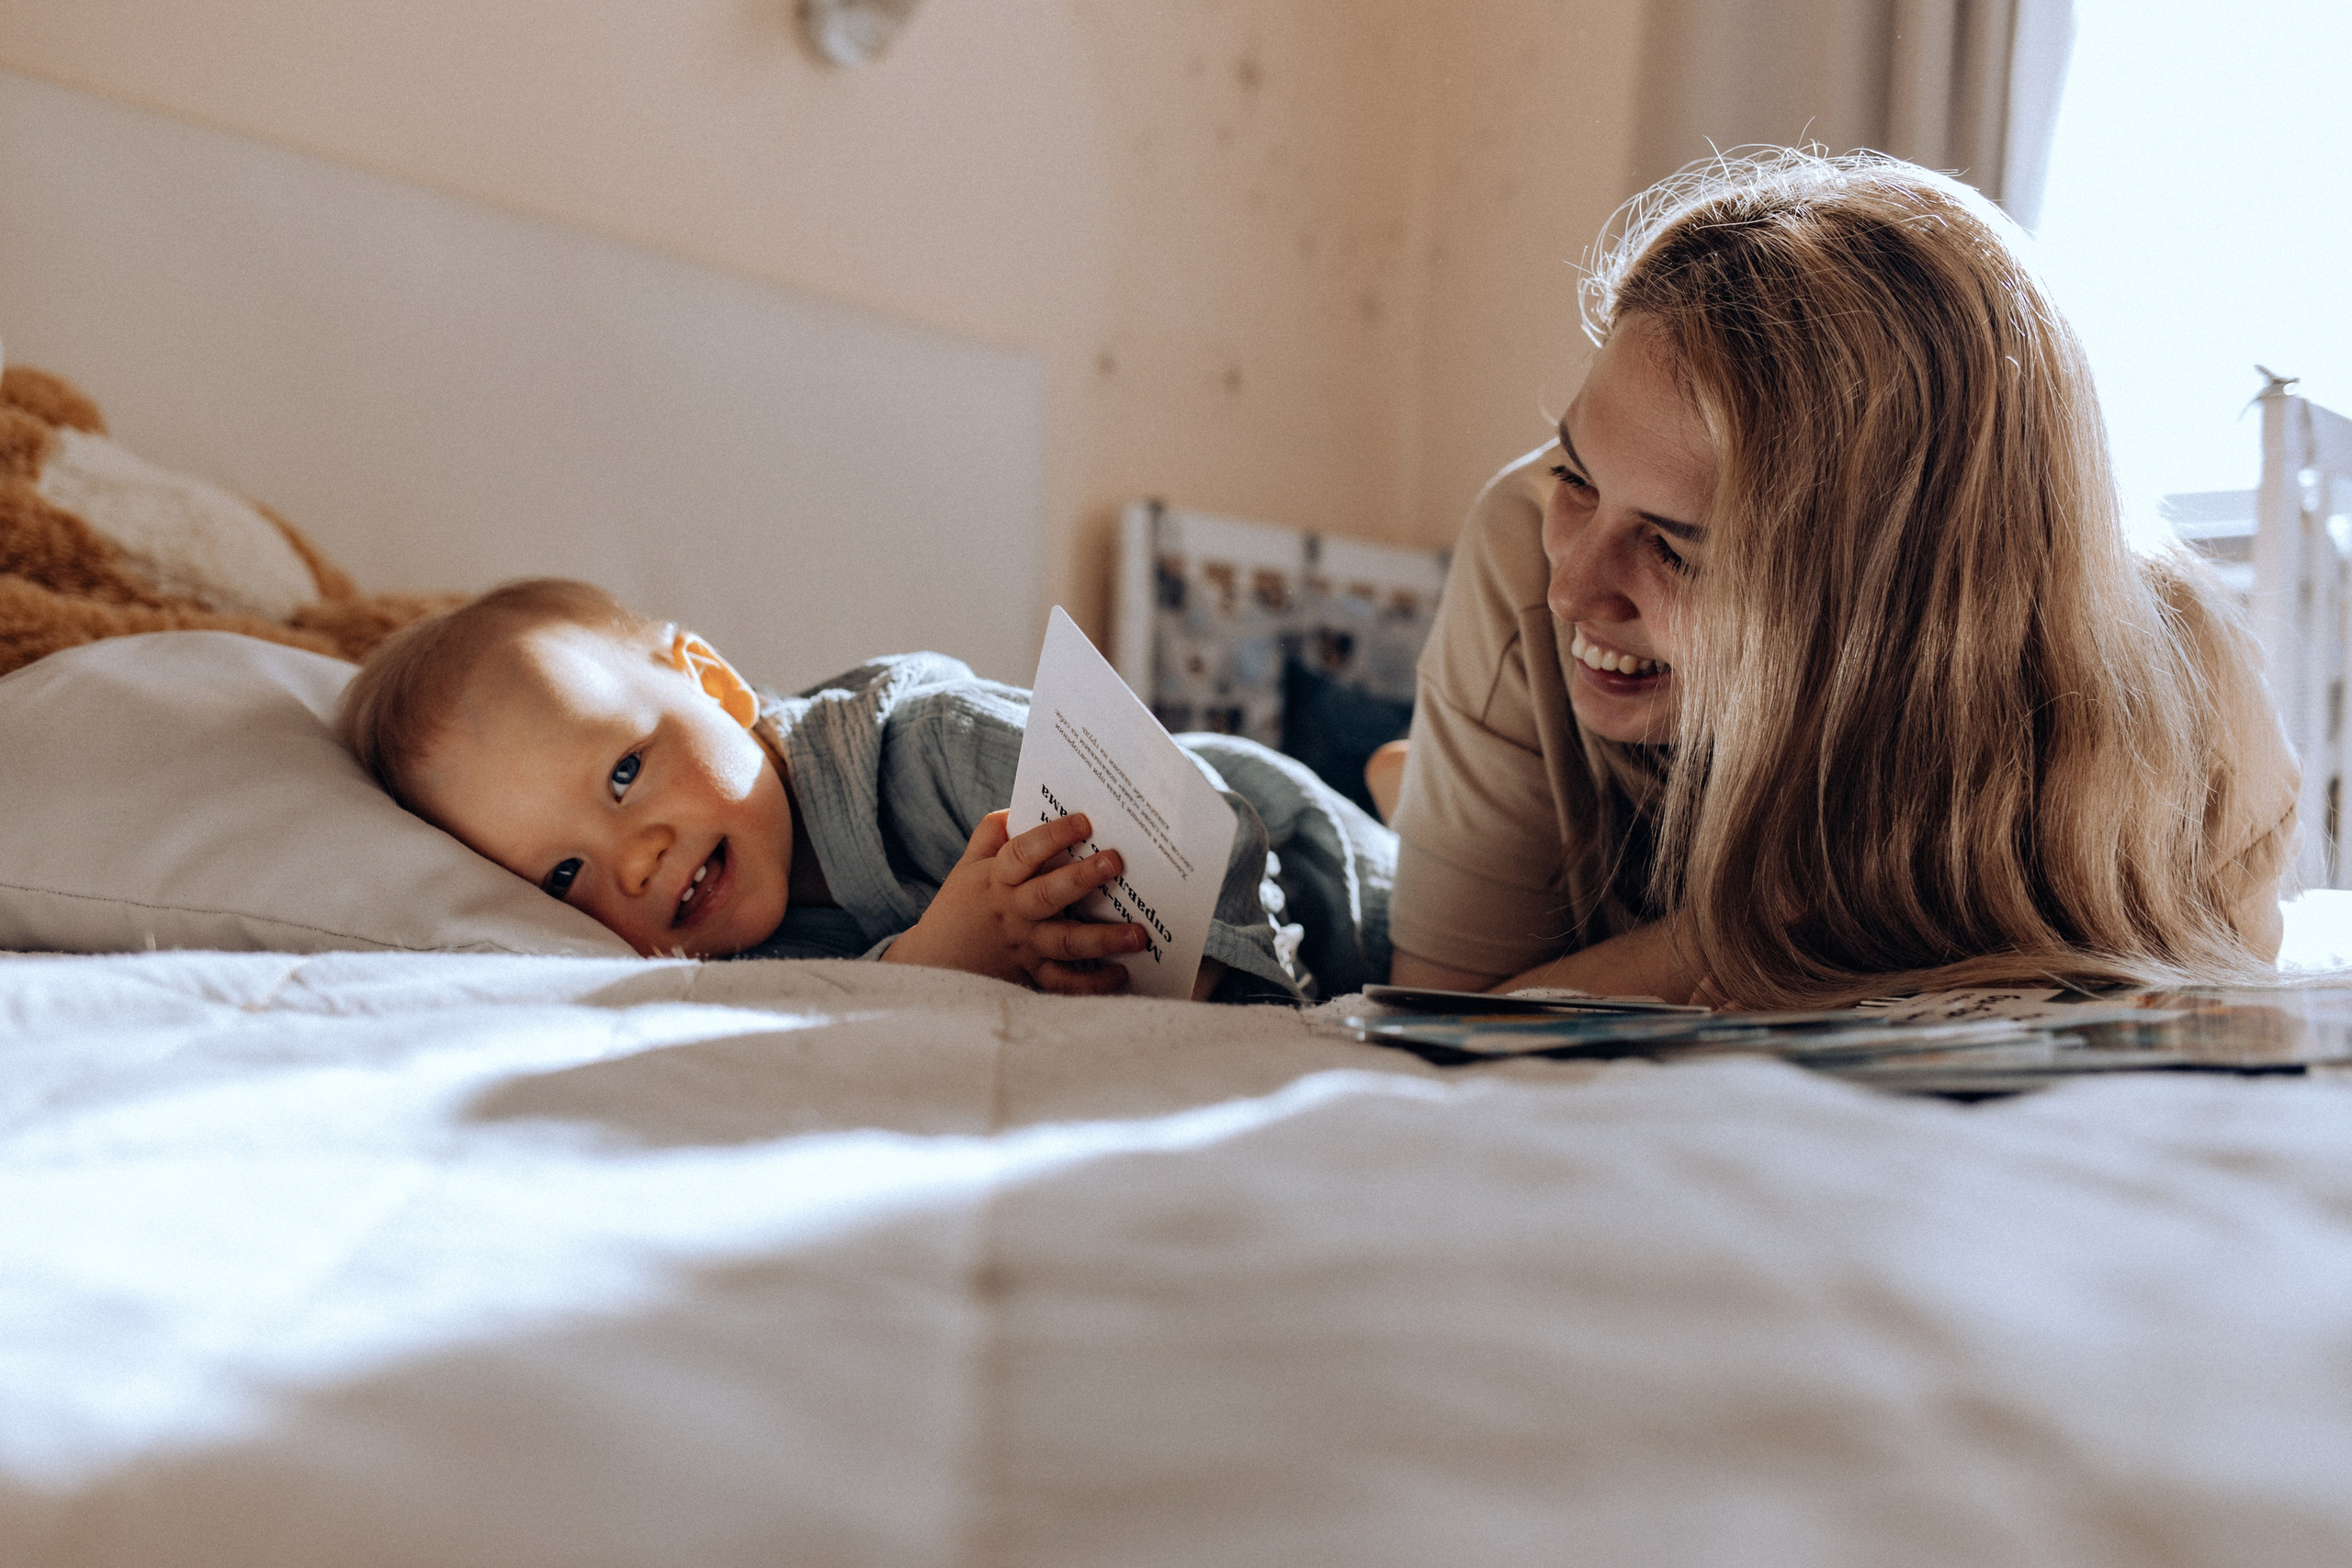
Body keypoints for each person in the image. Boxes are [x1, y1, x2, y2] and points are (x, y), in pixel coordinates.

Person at [1385, 149, 2298, 1009]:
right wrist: (1767, 928)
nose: (1573, 590)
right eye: (1577, 477)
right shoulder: (1519, 544)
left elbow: (2199, 999)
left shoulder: (2182, 714)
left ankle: (1403, 782)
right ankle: (1396, 783)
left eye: (1677, 550)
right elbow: (1445, 1027)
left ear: (1901, 596)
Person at [335, 578, 1391, 1002]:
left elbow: (1209, 848)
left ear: (709, 681)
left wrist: (1237, 1005)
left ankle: (1405, 787)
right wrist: (931, 965)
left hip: (1332, 883)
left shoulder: (942, 752)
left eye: (623, 772)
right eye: (563, 873)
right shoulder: (727, 962)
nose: (633, 860)